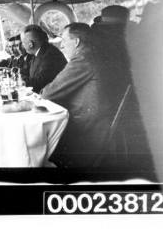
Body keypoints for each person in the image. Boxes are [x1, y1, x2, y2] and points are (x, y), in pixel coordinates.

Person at [42, 23, 123, 168]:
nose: (61, 46)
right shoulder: (95, 53)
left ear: (77, 42)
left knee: (42, 142)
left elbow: (48, 93)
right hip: (101, 119)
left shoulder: (83, 58)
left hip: (89, 127)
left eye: (64, 40)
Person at [21, 24, 67, 93]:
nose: (22, 45)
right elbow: (29, 74)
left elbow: (40, 83)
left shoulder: (51, 55)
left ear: (30, 44)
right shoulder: (38, 53)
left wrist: (20, 82)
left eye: (23, 42)